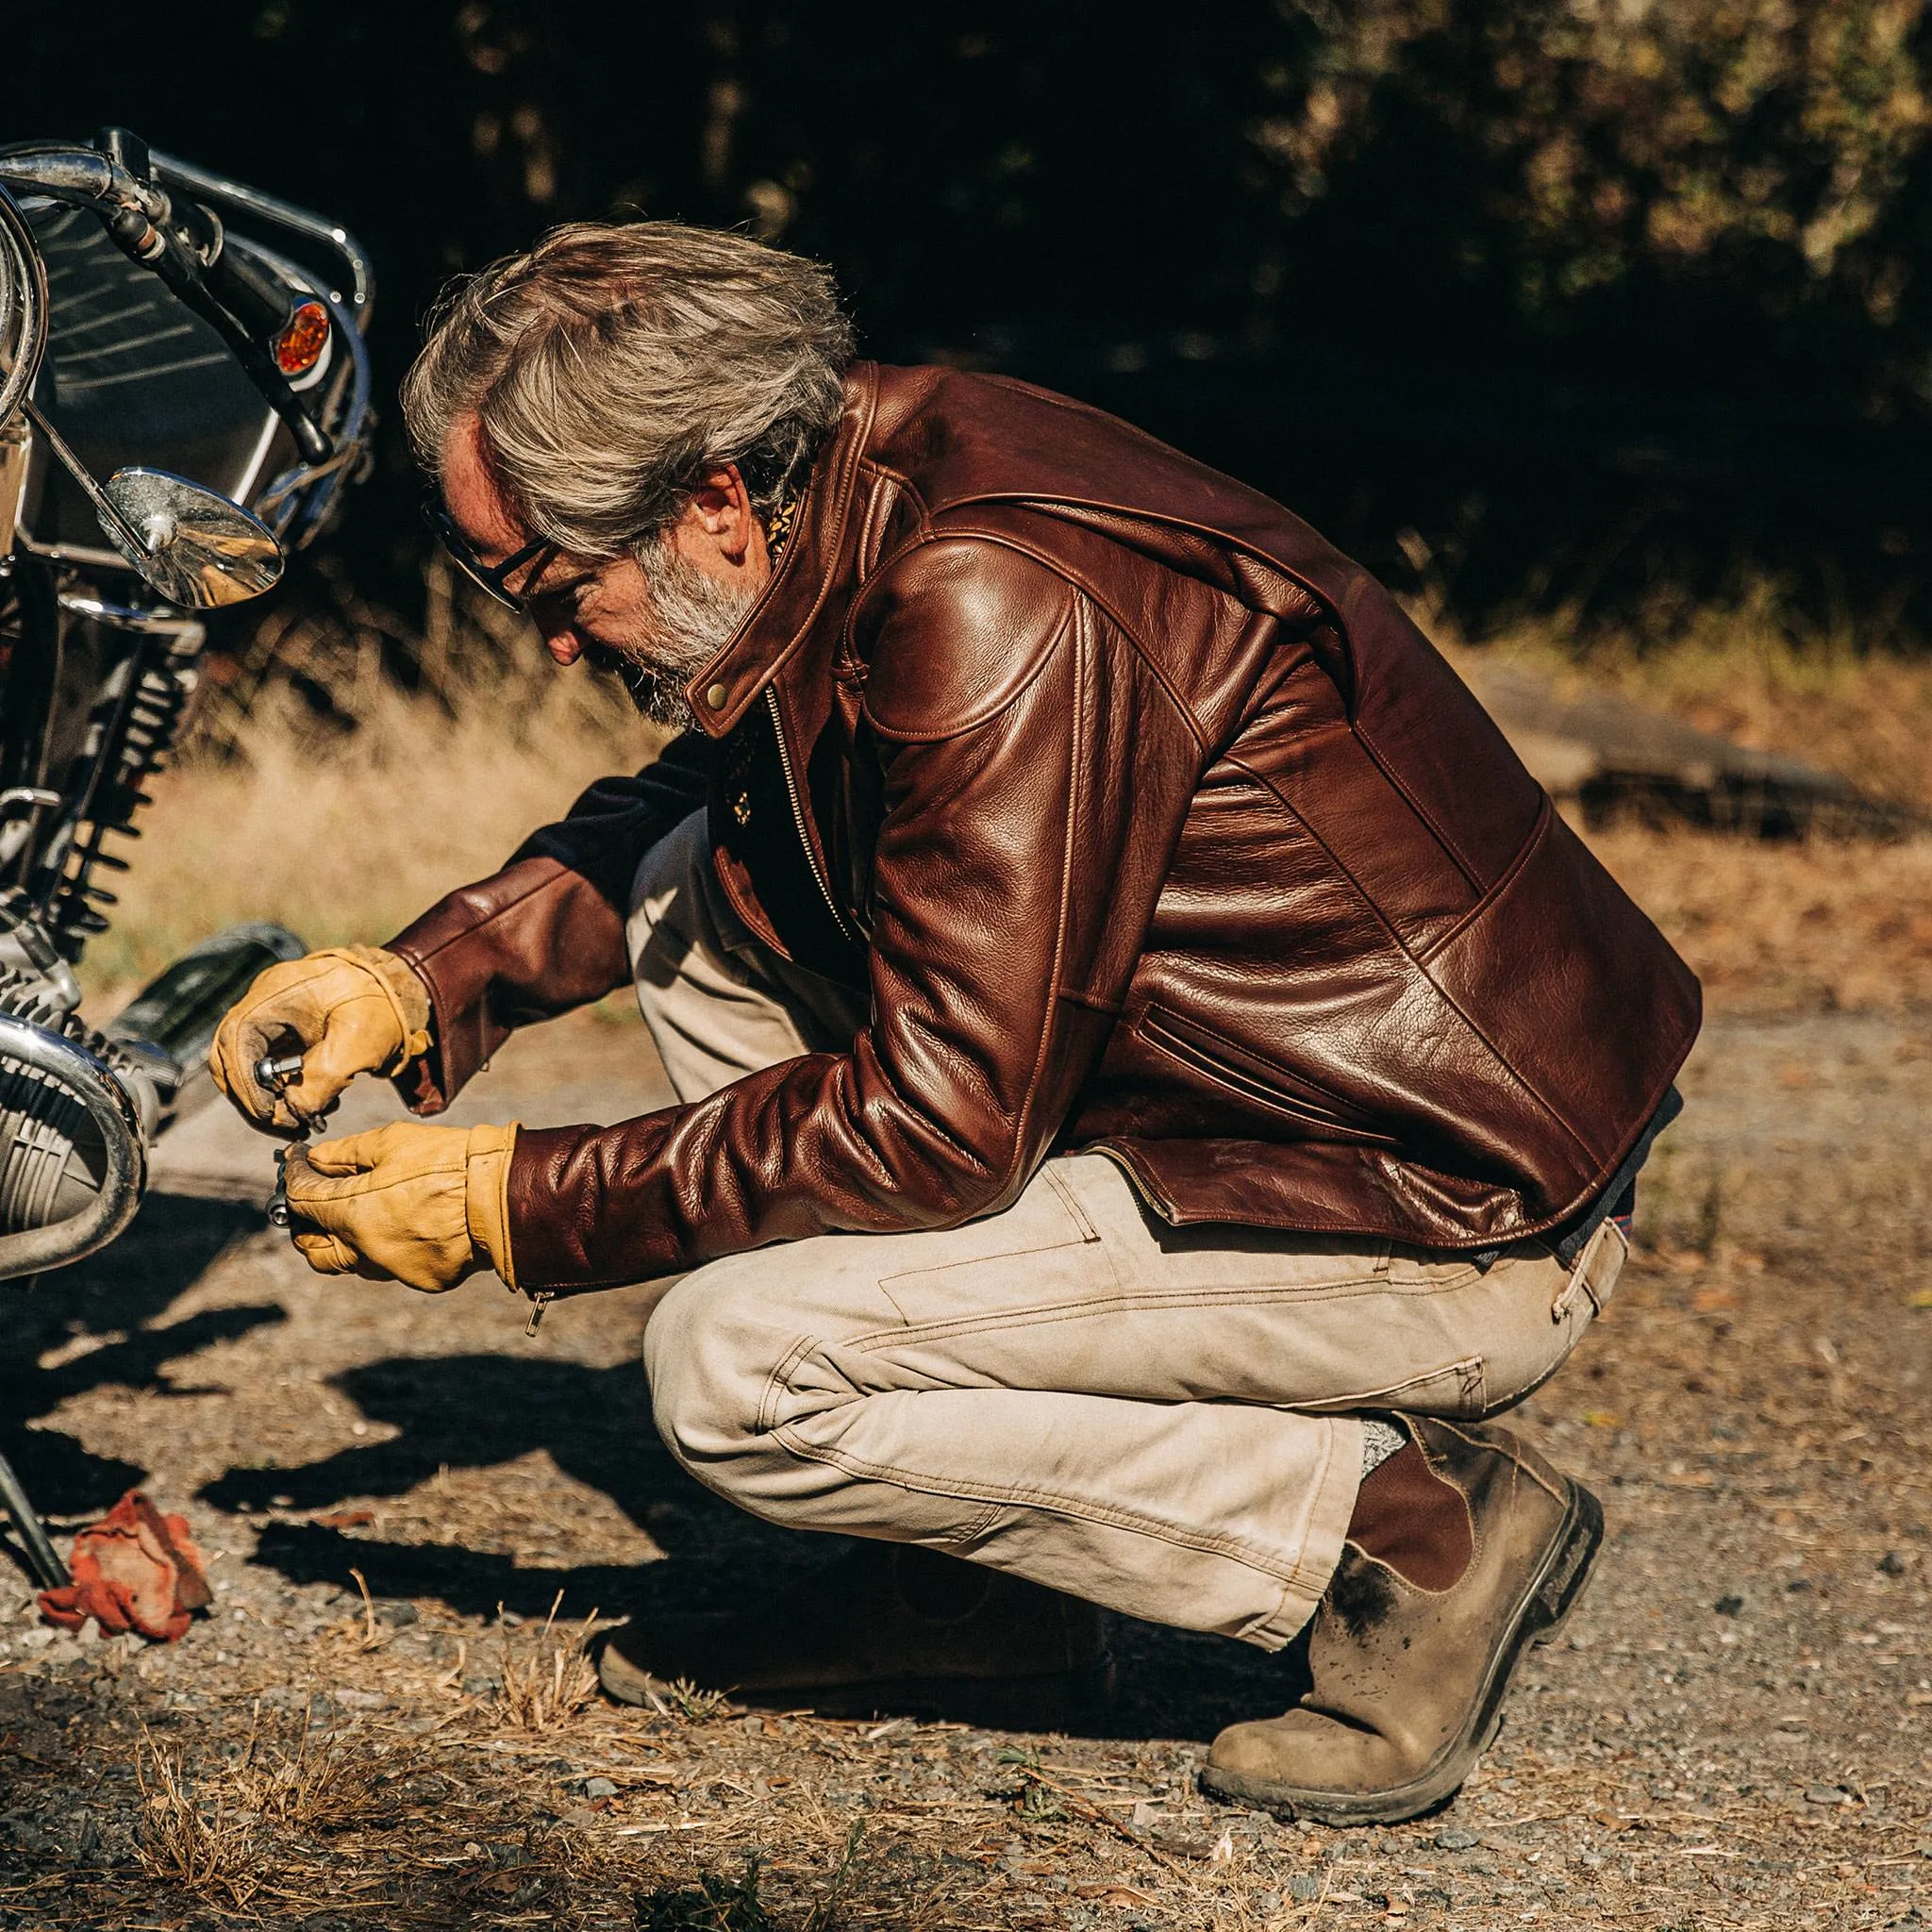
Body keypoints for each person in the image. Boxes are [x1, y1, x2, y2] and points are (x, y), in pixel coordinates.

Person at [209, 221, 1699, 1824]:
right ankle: (967, 1603)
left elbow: (935, 1126)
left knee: (737, 1370)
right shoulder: (840, 484)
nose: (556, 641)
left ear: (710, 498)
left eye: (558, 586)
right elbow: (732, 803)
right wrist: (428, 976)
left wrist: (526, 1202)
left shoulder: (989, 596)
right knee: (684, 898)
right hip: (1237, 1122)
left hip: (1433, 1202)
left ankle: (1404, 1535)